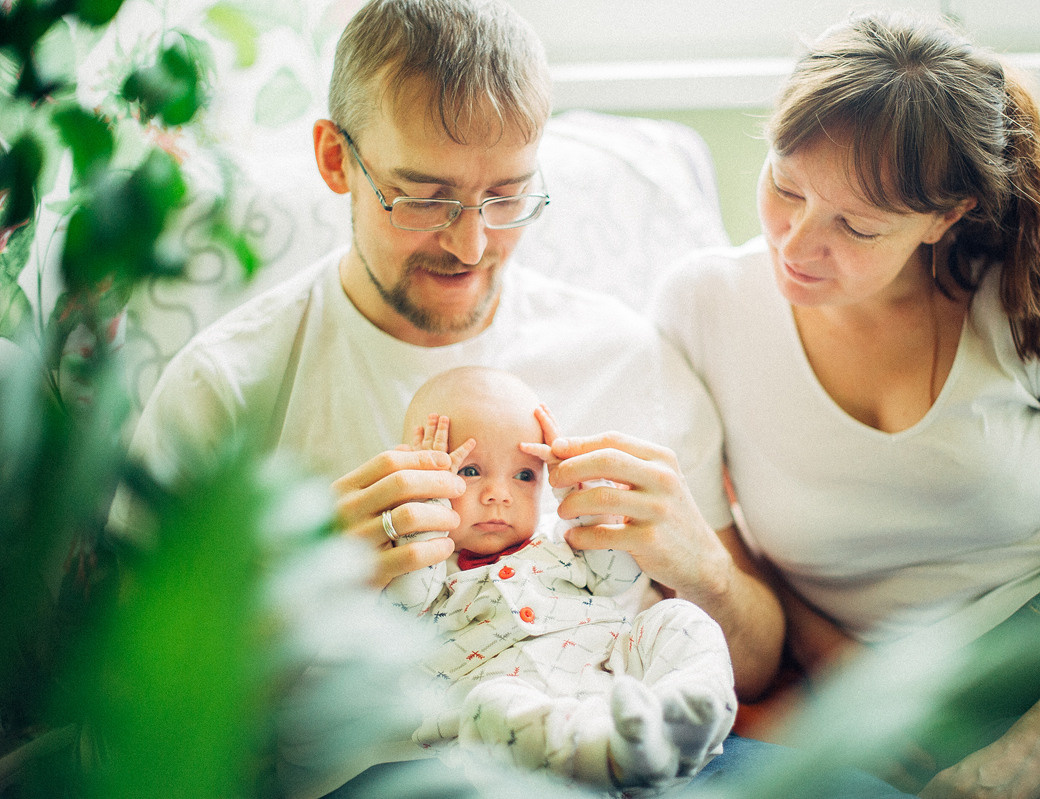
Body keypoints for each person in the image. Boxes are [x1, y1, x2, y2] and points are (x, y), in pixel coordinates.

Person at [118, 1, 817, 796]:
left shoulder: (625, 352)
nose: (471, 244)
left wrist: (702, 567)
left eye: (508, 196)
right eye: (424, 197)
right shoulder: (229, 390)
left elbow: (758, 662)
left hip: (664, 759)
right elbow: (126, 723)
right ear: (335, 160)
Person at [652, 10, 1040, 799]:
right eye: (784, 184)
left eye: (857, 226)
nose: (797, 243)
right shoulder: (699, 307)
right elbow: (734, 564)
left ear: (949, 218)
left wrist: (1037, 745)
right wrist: (852, 674)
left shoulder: (1026, 292)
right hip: (915, 685)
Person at [382, 366, 736, 790]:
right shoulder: (430, 572)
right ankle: (613, 755)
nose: (500, 494)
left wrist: (583, 495)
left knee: (678, 617)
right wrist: (425, 518)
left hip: (614, 677)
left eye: (525, 475)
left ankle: (685, 707)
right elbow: (400, 611)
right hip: (516, 720)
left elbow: (616, 580)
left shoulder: (559, 542)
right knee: (489, 706)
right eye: (470, 471)